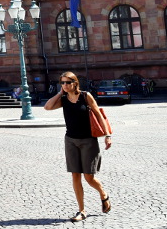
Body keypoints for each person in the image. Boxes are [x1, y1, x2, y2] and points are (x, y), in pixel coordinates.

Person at [44, 71, 113, 222]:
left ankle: (103, 194)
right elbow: (47, 107)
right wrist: (59, 93)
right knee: (75, 175)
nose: (65, 85)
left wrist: (107, 135)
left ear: (75, 82)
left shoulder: (85, 96)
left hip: (88, 141)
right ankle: (81, 211)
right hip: (70, 141)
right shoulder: (63, 98)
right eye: (62, 83)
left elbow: (99, 114)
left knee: (89, 178)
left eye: (68, 82)